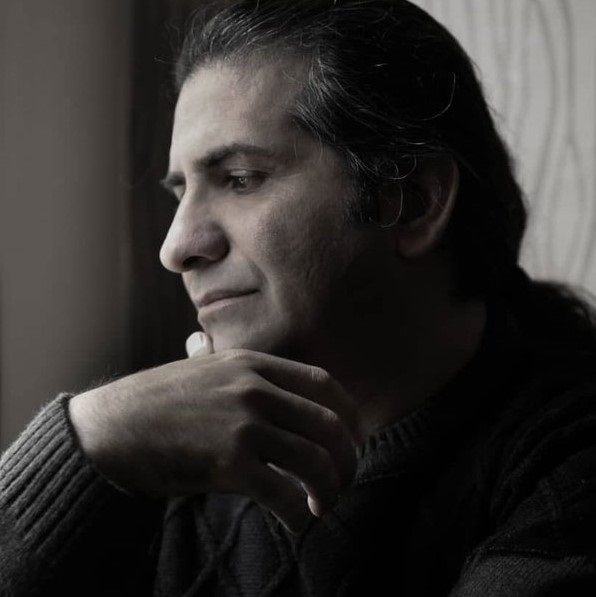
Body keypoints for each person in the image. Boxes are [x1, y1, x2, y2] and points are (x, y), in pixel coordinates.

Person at [2, 0, 596, 595]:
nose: (176, 248)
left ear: (413, 201)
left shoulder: (569, 465)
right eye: (180, 193)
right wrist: (89, 443)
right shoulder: (160, 447)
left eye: (240, 179)